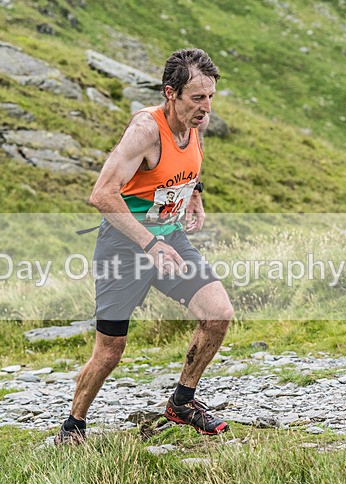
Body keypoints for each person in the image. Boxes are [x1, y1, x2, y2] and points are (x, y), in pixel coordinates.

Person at [56, 49, 234, 444]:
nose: (206, 108)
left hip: (170, 239)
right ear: (170, 93)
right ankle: (73, 425)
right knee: (110, 351)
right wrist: (149, 243)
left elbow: (184, 164)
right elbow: (101, 194)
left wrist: (195, 194)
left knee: (218, 313)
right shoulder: (145, 130)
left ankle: (182, 402)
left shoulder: (194, 122)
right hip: (124, 246)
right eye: (196, 99)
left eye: (210, 97)